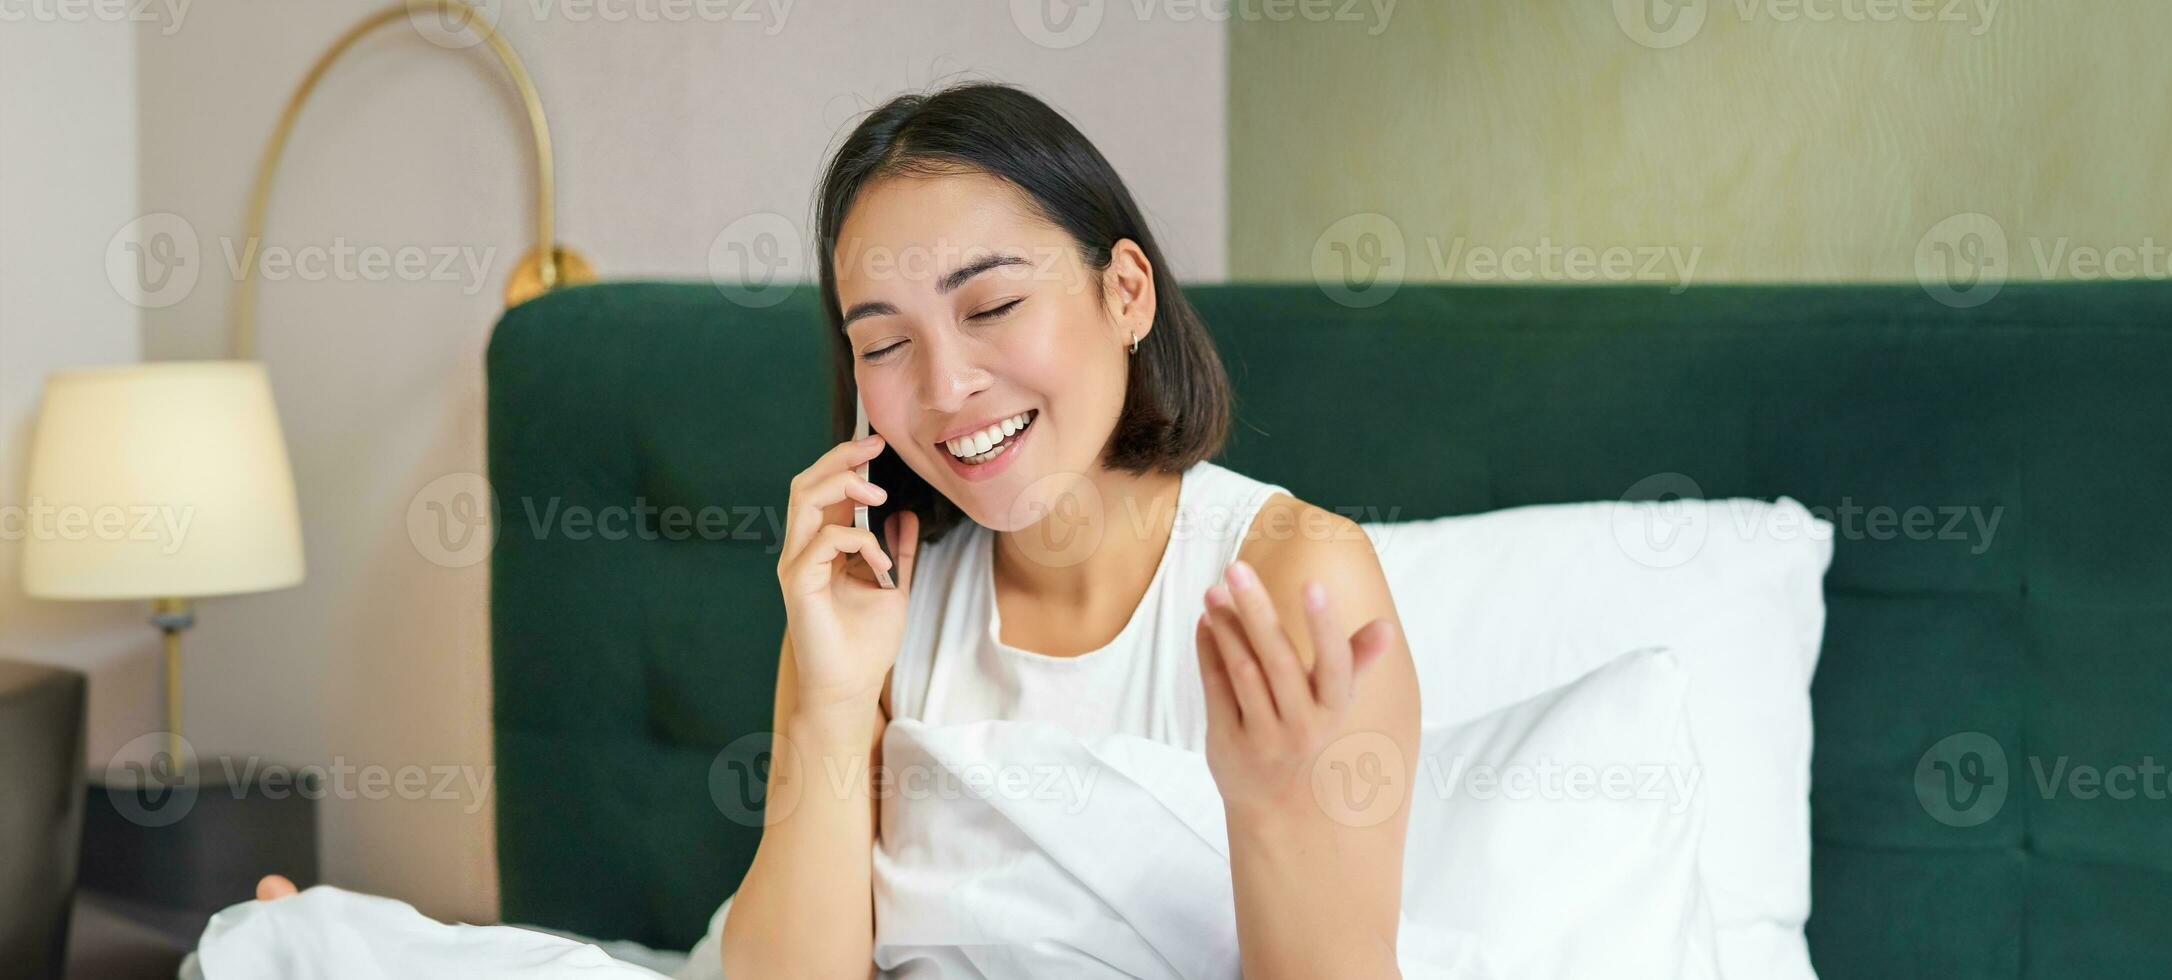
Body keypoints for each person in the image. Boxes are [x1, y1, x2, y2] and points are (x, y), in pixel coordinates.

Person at [258, 82, 1422, 980]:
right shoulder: (883, 589)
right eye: (883, 342)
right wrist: (826, 685)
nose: (947, 383)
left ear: (1125, 292)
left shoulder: (1288, 575)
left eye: (992, 305)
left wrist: (1276, 814)